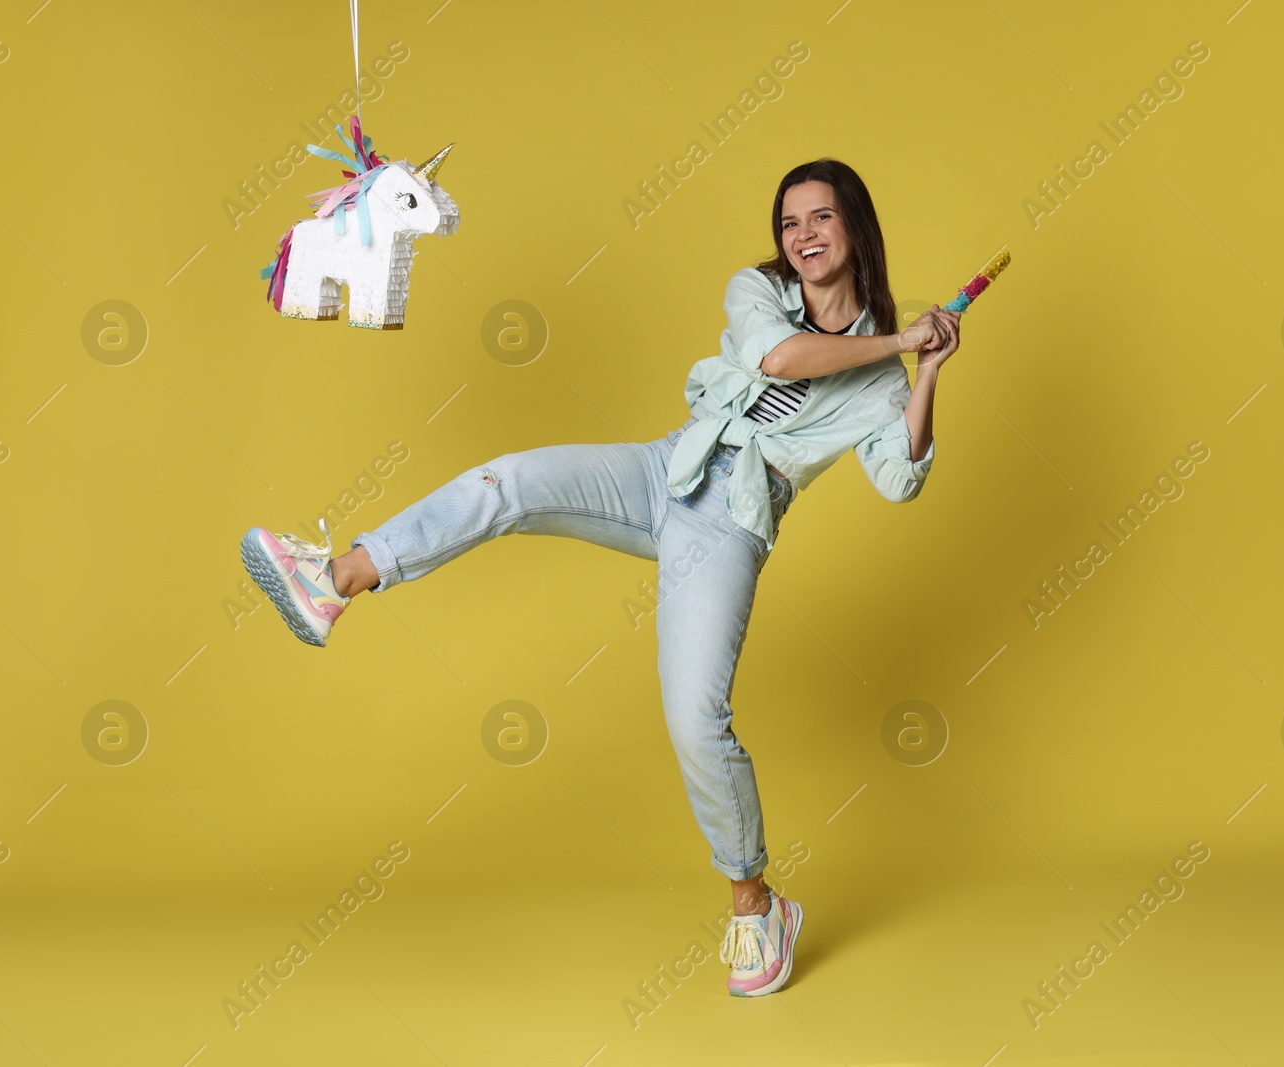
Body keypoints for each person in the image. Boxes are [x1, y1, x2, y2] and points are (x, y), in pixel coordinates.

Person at [238, 157, 963, 997]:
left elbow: (901, 477)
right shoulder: (758, 290)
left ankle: (756, 903)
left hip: (729, 524)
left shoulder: (882, 377)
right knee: (508, 482)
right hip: (665, 470)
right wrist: (906, 338)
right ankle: (335, 578)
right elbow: (778, 358)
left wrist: (929, 371)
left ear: (854, 227)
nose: (801, 236)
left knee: (697, 719)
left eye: (820, 219)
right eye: (790, 222)